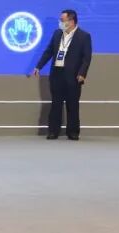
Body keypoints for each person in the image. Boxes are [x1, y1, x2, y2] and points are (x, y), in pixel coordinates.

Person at [29, 9, 92, 140]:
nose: (60, 22)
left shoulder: (84, 36)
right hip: (57, 74)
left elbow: (86, 58)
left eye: (62, 20)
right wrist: (38, 66)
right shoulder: (57, 33)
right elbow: (49, 51)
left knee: (72, 104)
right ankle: (53, 131)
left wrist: (82, 73)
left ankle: (73, 132)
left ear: (71, 21)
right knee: (55, 104)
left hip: (73, 75)